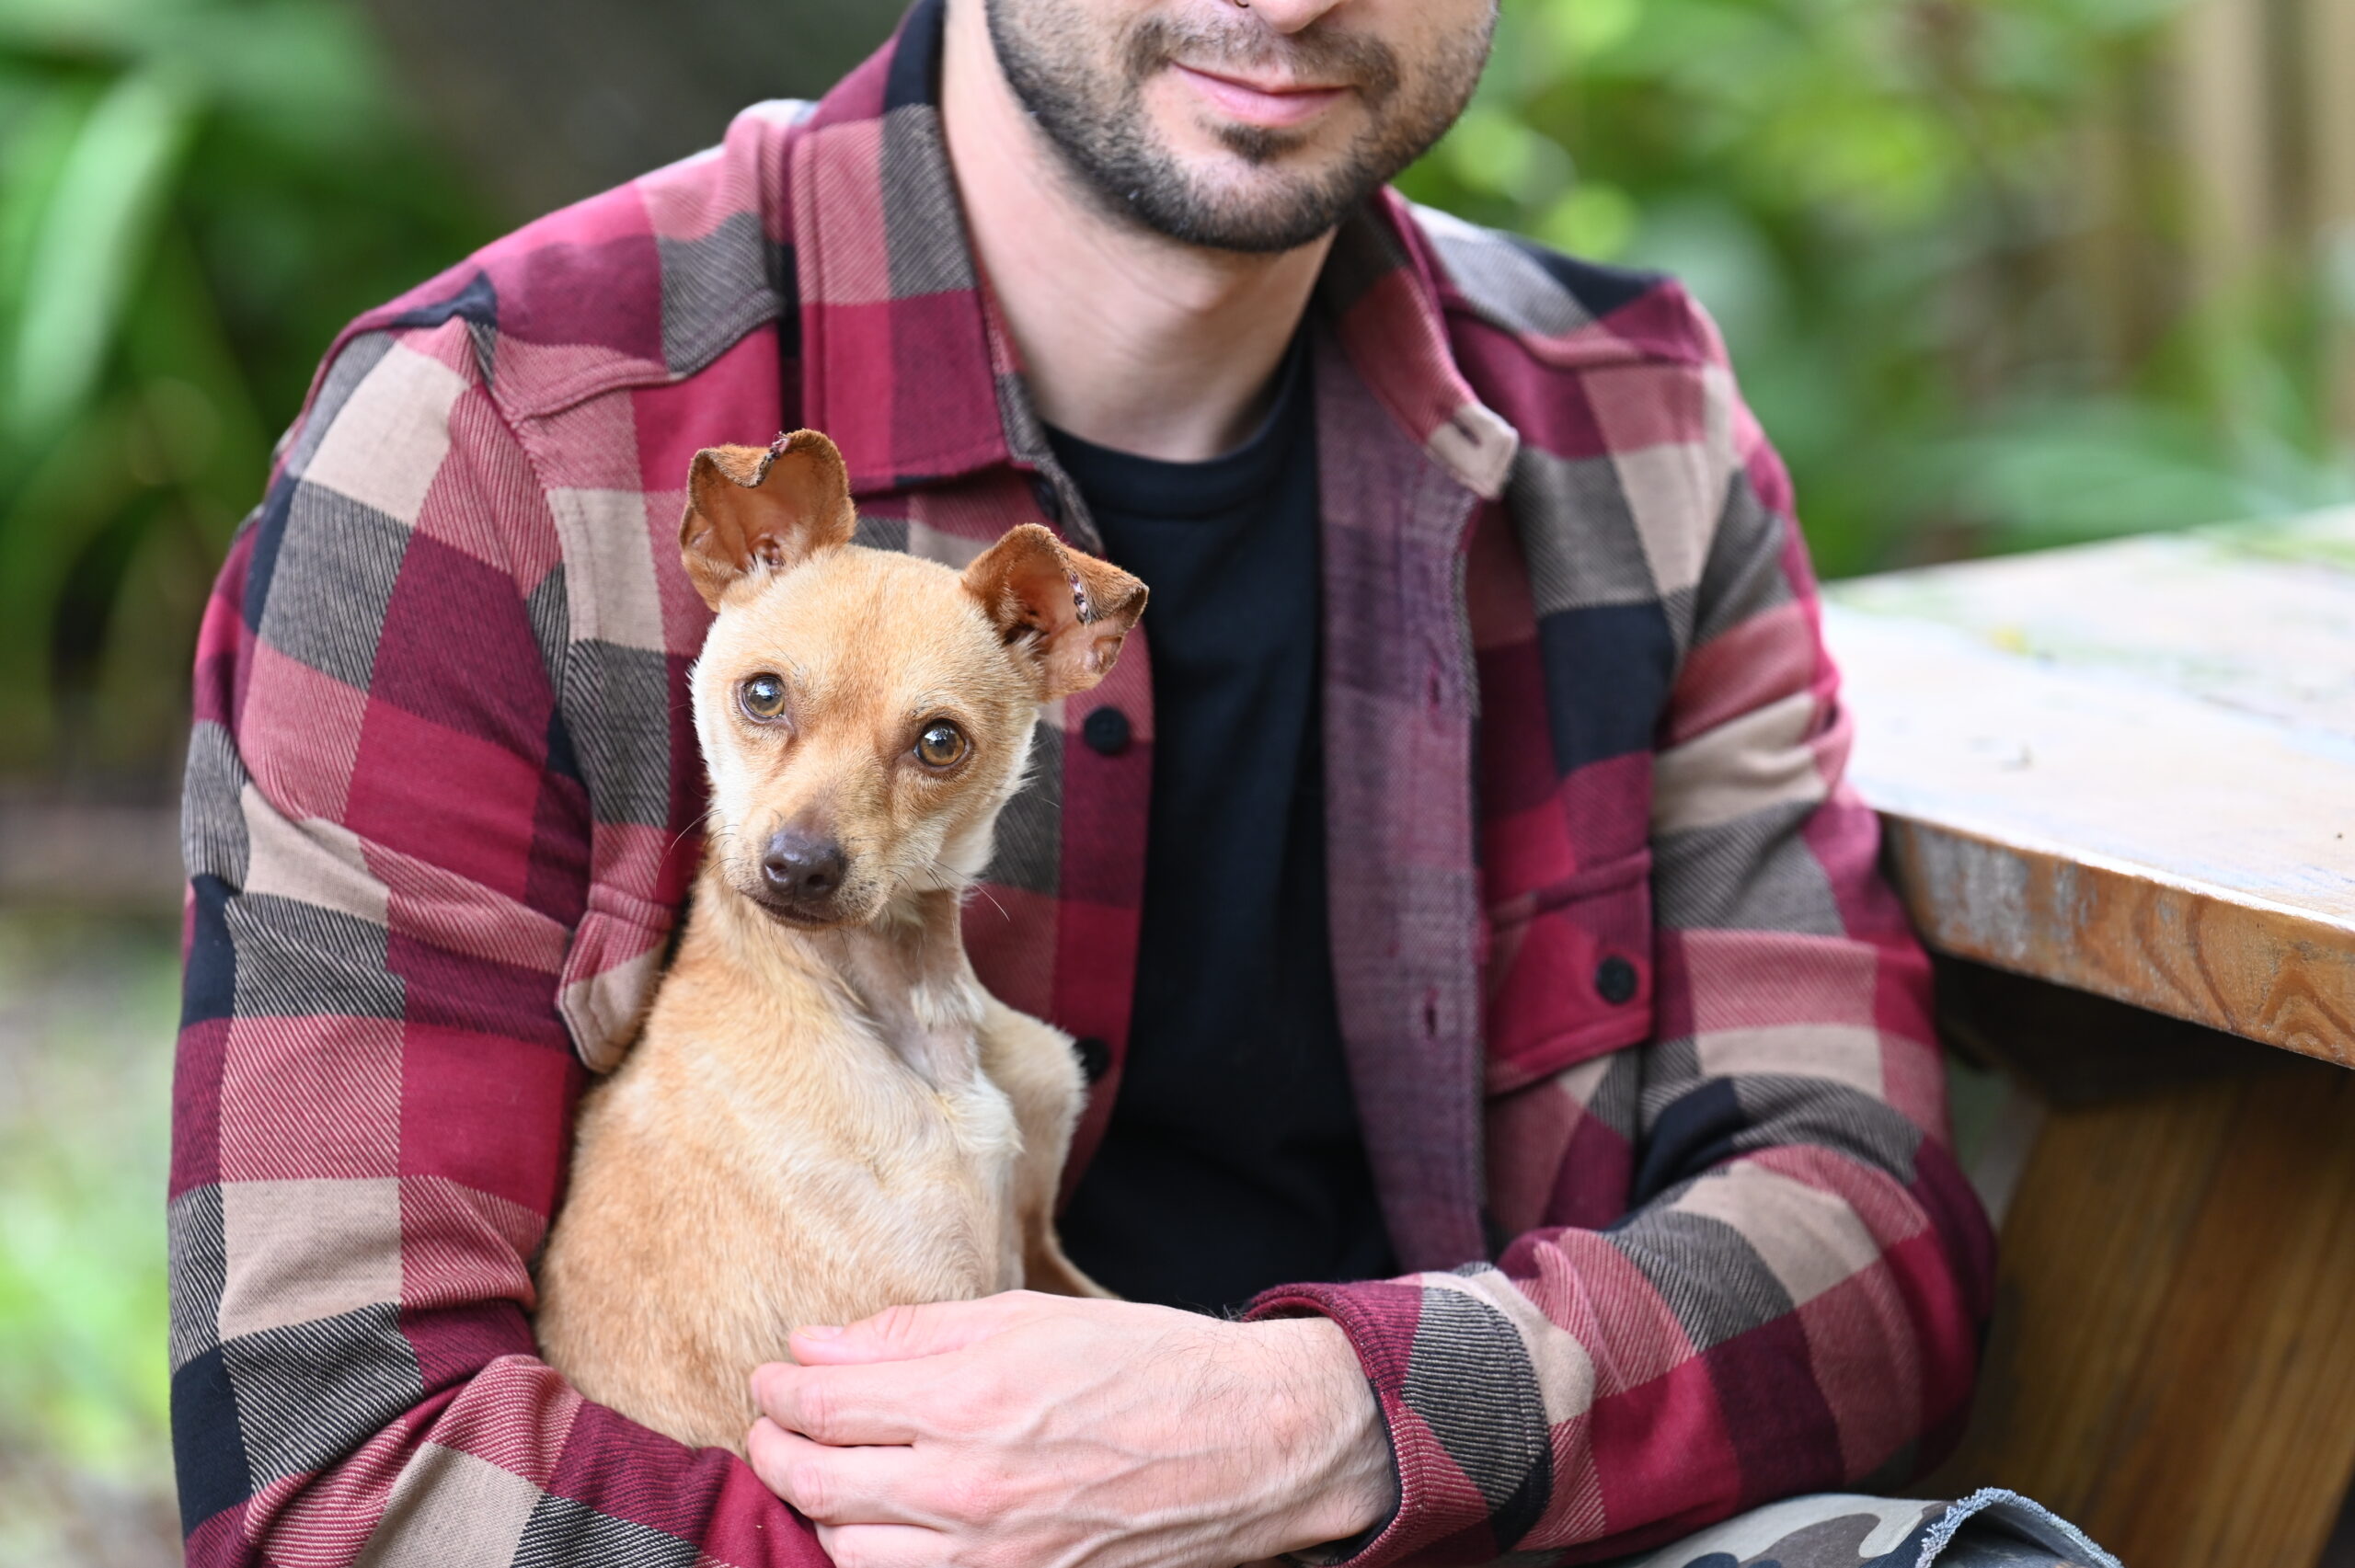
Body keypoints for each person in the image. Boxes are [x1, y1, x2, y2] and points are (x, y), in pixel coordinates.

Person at [167, 1, 2003, 1565]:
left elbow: (1861, 1231)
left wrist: (1329, 1423)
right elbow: (342, 1470)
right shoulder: (494, 442)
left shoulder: (1639, 432)